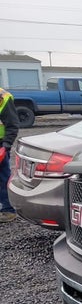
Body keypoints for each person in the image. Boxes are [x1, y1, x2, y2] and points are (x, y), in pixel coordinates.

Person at [0, 87, 20, 222]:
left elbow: (12, 125)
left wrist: (6, 146)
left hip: (0, 144)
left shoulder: (3, 97)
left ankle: (8, 210)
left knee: (2, 177)